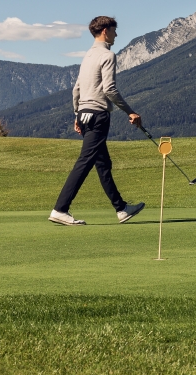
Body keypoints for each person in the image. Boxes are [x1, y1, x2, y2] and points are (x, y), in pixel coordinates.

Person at [49, 16, 146, 226]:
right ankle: (60, 209)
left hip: (85, 114)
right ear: (104, 31)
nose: (116, 34)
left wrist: (78, 114)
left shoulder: (88, 55)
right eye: (113, 30)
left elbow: (76, 89)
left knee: (102, 164)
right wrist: (130, 112)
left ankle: (121, 208)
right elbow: (109, 90)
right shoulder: (108, 55)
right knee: (85, 162)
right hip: (98, 116)